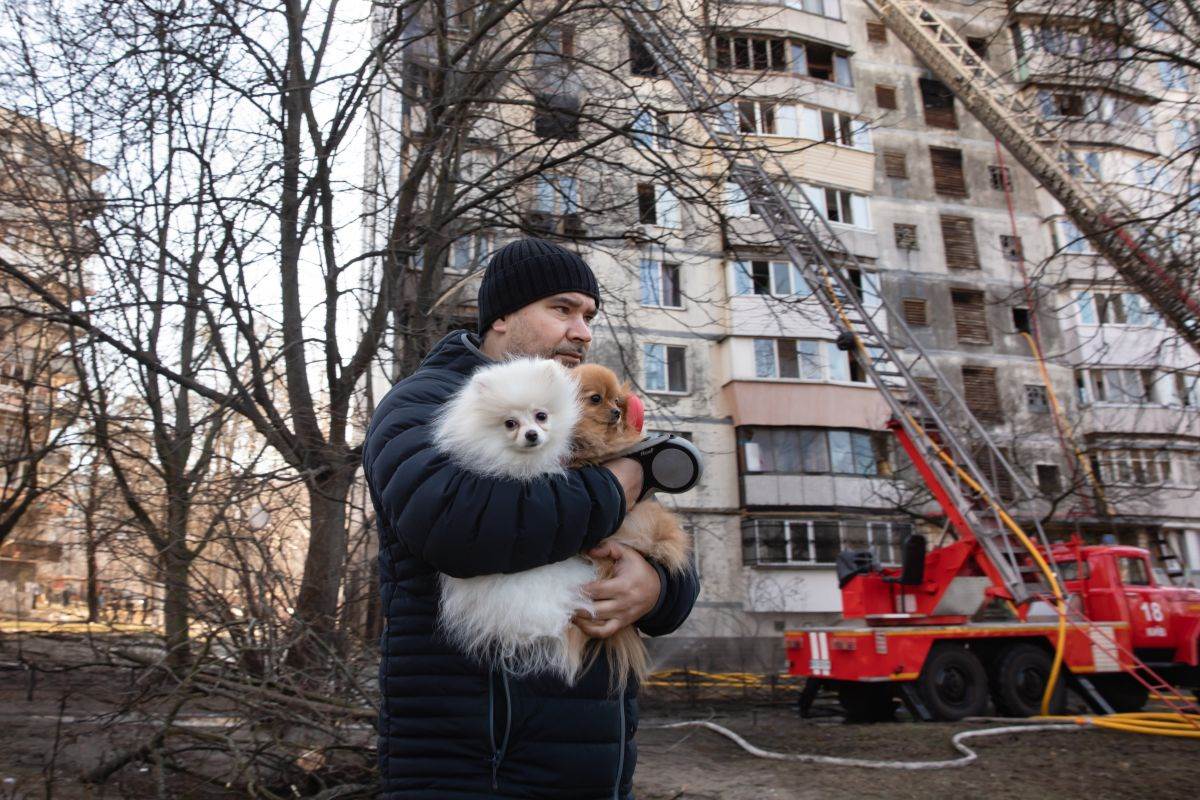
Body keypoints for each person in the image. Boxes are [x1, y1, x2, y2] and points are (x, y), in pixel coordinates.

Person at [363, 238, 699, 799]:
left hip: (590, 766)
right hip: (478, 770)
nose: (582, 332)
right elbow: (460, 527)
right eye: (562, 309)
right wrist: (626, 479)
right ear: (501, 315)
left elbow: (666, 550)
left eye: (588, 316)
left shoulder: (579, 412)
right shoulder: (425, 404)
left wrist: (656, 586)